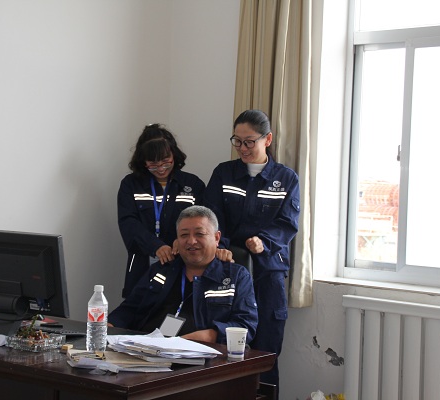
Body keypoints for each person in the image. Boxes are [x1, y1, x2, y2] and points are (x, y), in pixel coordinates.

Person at [203, 109, 300, 396]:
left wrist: (263, 242)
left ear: (267, 140)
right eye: (237, 141)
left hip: (268, 272)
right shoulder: (224, 173)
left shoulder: (286, 178)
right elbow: (211, 216)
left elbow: (288, 223)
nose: (242, 148)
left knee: (266, 350)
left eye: (249, 142)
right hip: (228, 269)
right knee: (225, 347)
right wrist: (221, 246)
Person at [108, 205, 258, 344]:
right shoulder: (161, 270)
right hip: (148, 348)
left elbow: (245, 326)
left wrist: (208, 336)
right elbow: (129, 309)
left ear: (217, 238)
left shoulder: (236, 276)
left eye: (199, 234)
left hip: (203, 354)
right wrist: (107, 326)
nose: (191, 241)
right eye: (184, 235)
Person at [117, 124, 205, 298]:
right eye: (153, 164)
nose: (160, 168)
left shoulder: (192, 184)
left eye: (166, 161)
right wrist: (155, 246)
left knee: (178, 309)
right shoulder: (131, 184)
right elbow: (128, 223)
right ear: (143, 161)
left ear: (174, 154)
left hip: (182, 263)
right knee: (138, 310)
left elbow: (203, 222)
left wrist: (182, 240)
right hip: (143, 265)